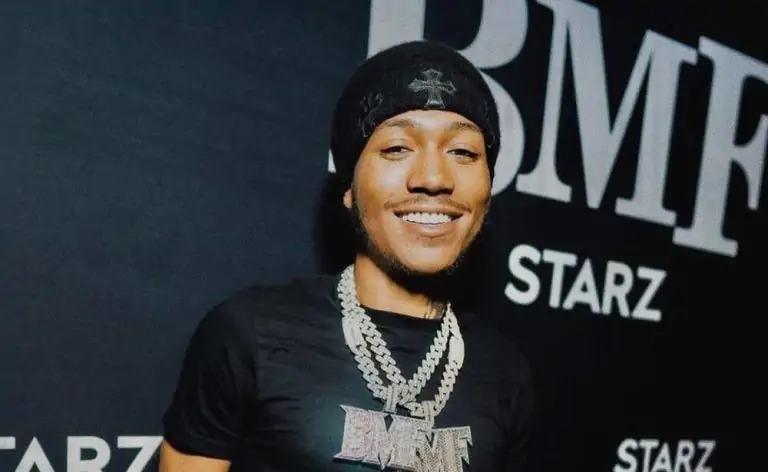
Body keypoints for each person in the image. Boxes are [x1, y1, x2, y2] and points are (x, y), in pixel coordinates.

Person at [159, 39, 535, 472]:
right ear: (349, 188)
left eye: (463, 152)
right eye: (397, 148)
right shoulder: (249, 337)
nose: (433, 177)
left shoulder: (506, 374)